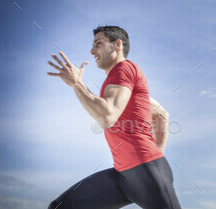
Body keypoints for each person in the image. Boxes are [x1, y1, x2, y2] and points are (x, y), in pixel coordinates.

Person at [47, 25, 181, 209]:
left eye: (98, 44)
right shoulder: (122, 84)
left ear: (117, 45)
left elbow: (107, 116)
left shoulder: (124, 69)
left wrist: (77, 84)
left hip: (146, 172)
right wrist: (156, 154)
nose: (92, 50)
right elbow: (161, 114)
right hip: (123, 176)